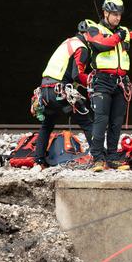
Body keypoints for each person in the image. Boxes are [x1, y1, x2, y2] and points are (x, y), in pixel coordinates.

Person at [85, 0, 132, 171]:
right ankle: (97, 158)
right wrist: (118, 36)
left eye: (119, 14)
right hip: (102, 81)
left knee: (116, 122)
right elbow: (101, 45)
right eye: (114, 14)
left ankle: (112, 157)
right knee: (101, 121)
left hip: (120, 82)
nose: (117, 18)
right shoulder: (94, 29)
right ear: (105, 12)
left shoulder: (124, 30)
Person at [32, 19, 96, 169]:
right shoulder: (82, 47)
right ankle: (100, 157)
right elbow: (77, 74)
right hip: (60, 91)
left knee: (47, 124)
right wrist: (93, 83)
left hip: (45, 92)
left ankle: (39, 161)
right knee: (87, 122)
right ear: (88, 34)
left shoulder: (67, 42)